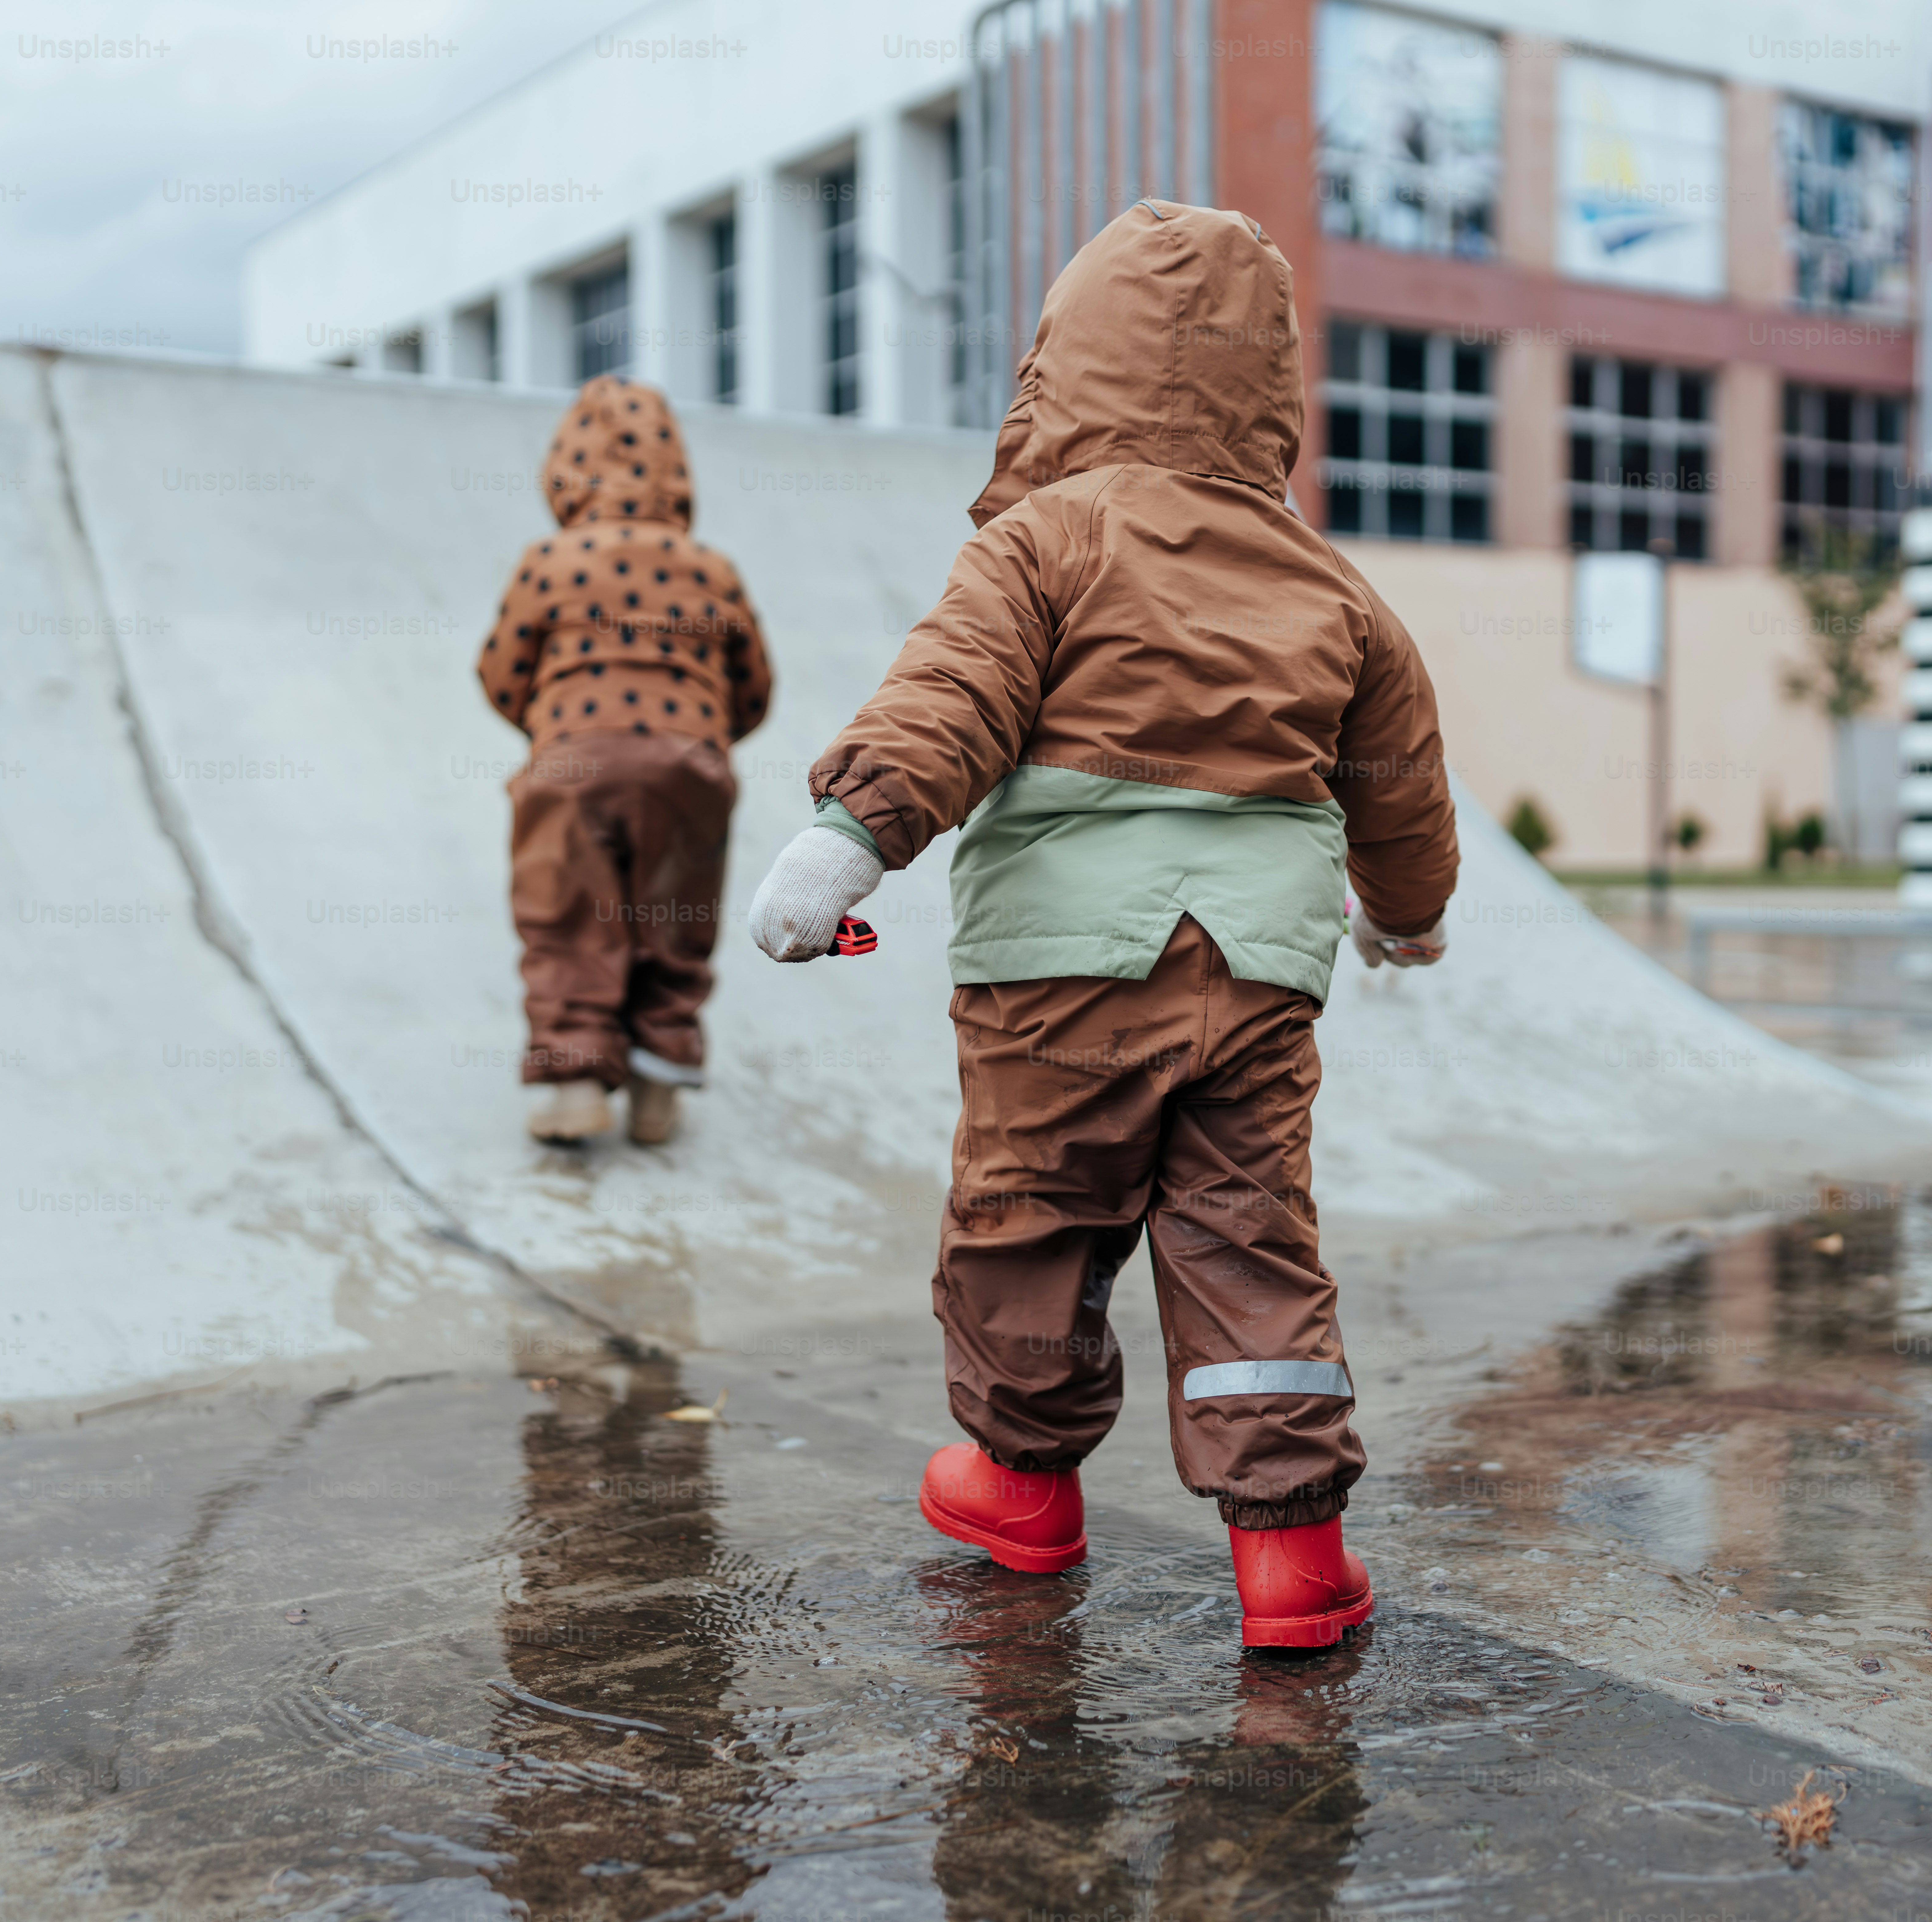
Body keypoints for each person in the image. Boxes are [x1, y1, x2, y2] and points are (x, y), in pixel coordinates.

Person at [744, 200, 1457, 1649]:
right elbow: (1398, 781)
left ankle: (1021, 1485)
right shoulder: (1334, 589)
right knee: (1248, 1239)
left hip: (1056, 974)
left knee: (1030, 1215)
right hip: (1258, 974)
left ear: (1059, 370)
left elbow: (947, 699)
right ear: (1273, 397)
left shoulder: (1047, 538)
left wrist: (846, 839)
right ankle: (1296, 1557)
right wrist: (1407, 915)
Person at [478, 376, 772, 1147]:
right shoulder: (714, 567)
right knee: (674, 918)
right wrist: (695, 741)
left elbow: (501, 674)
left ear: (568, 471)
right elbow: (754, 687)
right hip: (690, 767)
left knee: (570, 912)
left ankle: (576, 1082)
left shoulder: (548, 561)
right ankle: (656, 1091)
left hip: (573, 763)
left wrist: (556, 730)